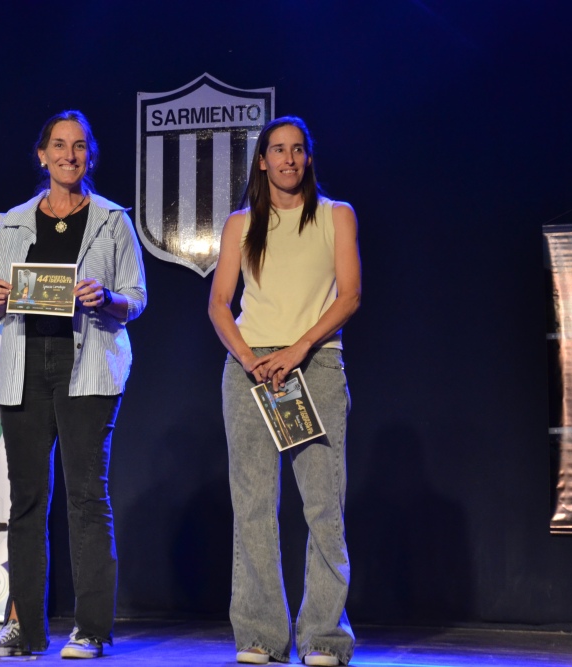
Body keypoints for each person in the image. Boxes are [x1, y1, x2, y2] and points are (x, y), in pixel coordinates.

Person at [0, 110, 147, 659]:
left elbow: (136, 298)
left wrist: (109, 299)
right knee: (26, 500)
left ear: (90, 156)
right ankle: (25, 630)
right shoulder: (15, 221)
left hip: (89, 366)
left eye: (79, 146)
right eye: (58, 145)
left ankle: (91, 629)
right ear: (41, 155)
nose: (68, 155)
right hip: (25, 365)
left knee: (84, 499)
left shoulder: (112, 220)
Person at [208, 117, 361, 666]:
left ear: (309, 159)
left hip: (314, 364)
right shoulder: (240, 224)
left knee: (323, 504)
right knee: (251, 505)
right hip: (250, 370)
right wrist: (250, 360)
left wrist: (297, 351)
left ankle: (324, 636)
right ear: (262, 161)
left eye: (298, 150)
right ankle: (261, 635)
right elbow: (219, 303)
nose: (289, 159)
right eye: (278, 150)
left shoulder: (337, 216)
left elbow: (349, 296)